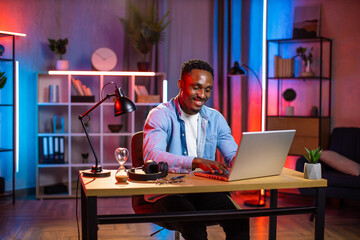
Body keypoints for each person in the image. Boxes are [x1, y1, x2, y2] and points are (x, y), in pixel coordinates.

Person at [142, 59, 250, 240]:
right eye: (196, 87)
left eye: (208, 89)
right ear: (181, 85)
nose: (202, 94)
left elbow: (231, 155)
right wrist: (195, 161)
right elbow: (153, 156)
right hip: (168, 193)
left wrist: (250, 161)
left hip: (203, 190)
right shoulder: (160, 115)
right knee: (195, 228)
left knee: (239, 219)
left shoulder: (215, 118)